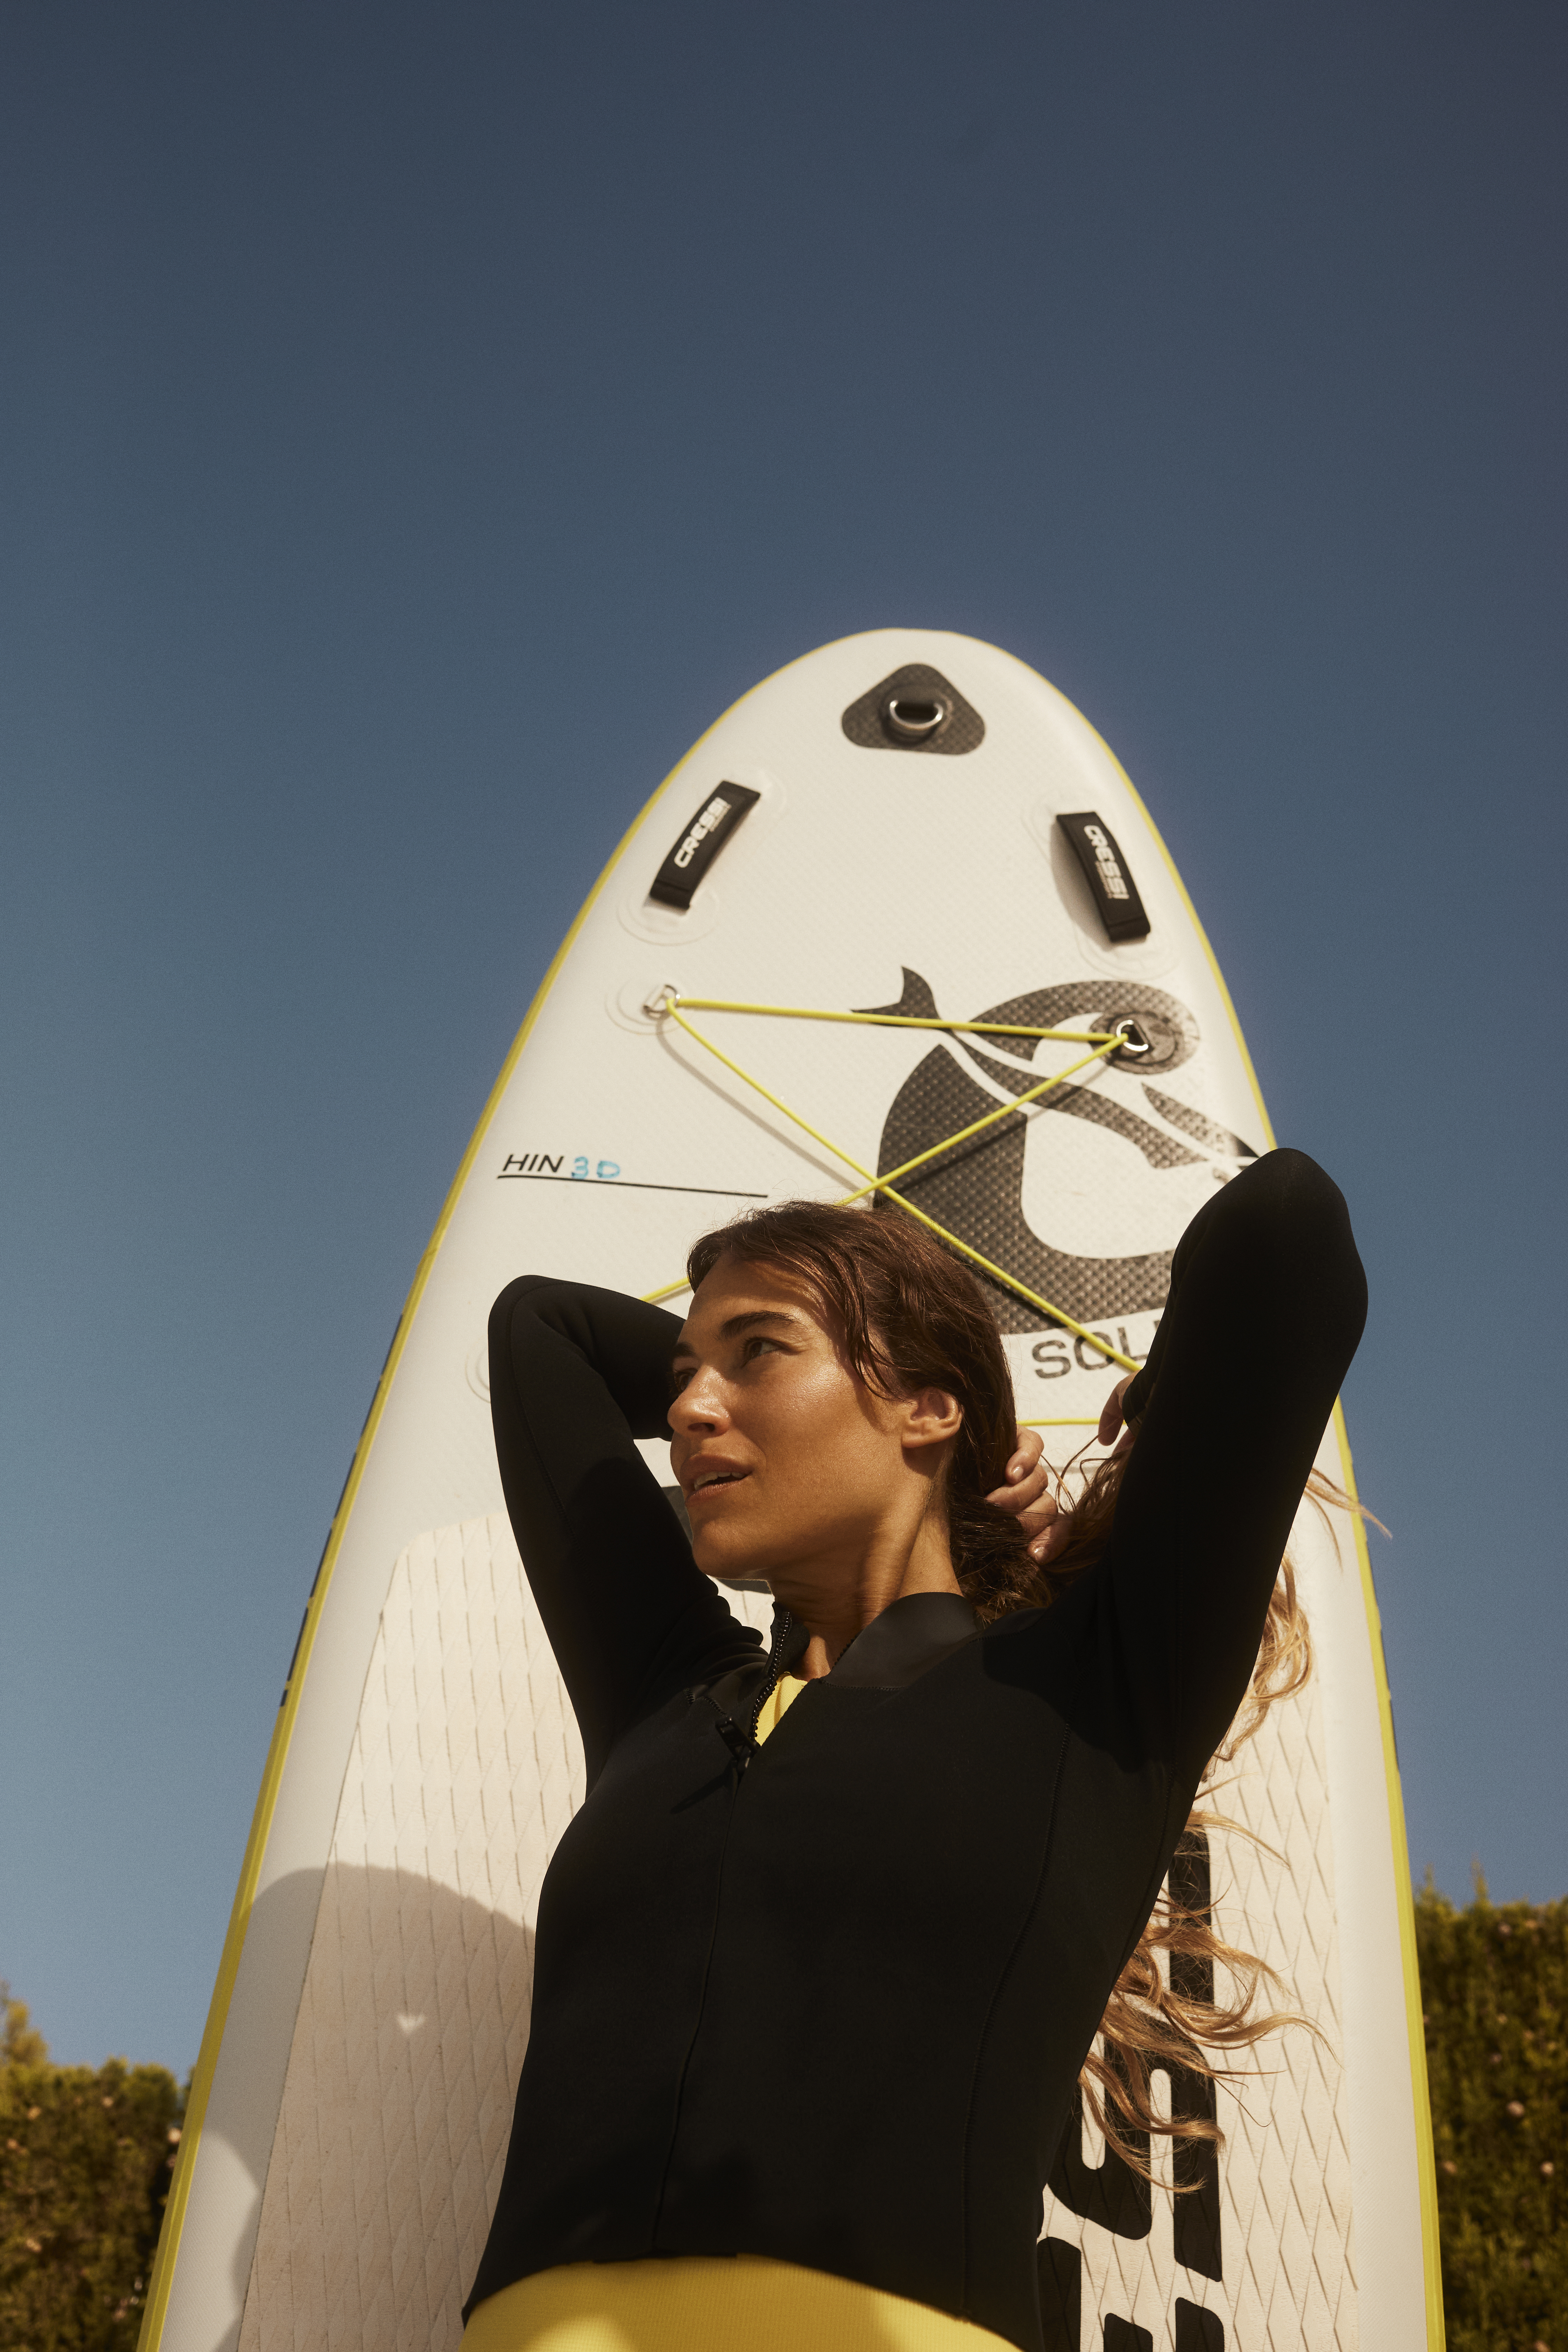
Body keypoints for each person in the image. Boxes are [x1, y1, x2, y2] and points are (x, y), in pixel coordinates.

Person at [461, 1148, 1366, 2352]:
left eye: (758, 1352)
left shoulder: (1087, 1696)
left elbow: (1286, 1226)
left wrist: (1065, 1421)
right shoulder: (663, 1696)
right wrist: (818, 1386)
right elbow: (540, 1333)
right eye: (683, 1372)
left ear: (924, 1408)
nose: (686, 1410)